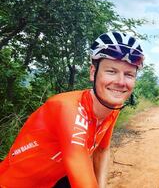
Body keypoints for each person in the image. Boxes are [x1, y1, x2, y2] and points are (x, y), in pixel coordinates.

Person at [0, 31, 144, 188]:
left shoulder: (113, 108)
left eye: (129, 74)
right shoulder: (67, 108)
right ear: (93, 72)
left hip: (55, 179)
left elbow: (102, 151)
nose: (121, 82)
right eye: (111, 71)